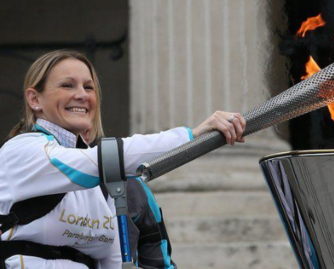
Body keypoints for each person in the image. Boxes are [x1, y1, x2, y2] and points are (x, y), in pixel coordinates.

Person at [0, 50, 246, 269]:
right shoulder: (23, 151)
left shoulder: (102, 180)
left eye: (88, 87)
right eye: (67, 85)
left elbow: (115, 259)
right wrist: (191, 135)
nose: (81, 95)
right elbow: (102, 160)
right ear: (34, 99)